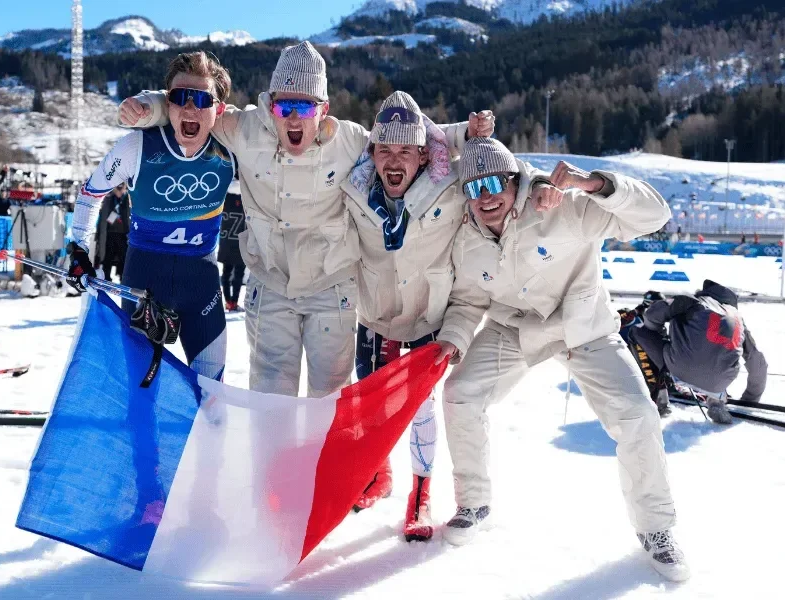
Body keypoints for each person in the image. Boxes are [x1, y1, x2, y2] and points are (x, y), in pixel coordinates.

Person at [118, 40, 493, 398]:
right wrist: (148, 106)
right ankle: (273, 466)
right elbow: (194, 105)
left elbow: (404, 136)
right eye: (284, 108)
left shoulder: (348, 140)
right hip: (271, 281)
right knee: (271, 396)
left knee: (327, 398)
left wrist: (464, 134)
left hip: (331, 285)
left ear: (324, 110)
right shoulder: (245, 130)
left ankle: (322, 467)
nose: (294, 118)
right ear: (271, 107)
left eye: (306, 108)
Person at [435, 138, 688, 581]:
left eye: (496, 182)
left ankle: (657, 529)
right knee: (460, 393)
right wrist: (453, 340)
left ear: (515, 181)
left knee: (637, 415)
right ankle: (473, 501)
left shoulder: (565, 206)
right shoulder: (467, 241)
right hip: (513, 328)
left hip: (584, 327)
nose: (487, 196)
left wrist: (596, 185)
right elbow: (468, 300)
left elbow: (655, 216)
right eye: (474, 188)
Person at [340, 91, 480, 541]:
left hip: (426, 320)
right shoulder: (354, 189)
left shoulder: (451, 186)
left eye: (405, 151)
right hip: (375, 319)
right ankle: (377, 475)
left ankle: (420, 493)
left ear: (423, 155)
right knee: (369, 408)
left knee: (419, 410)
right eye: (385, 150)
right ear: (373, 153)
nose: (394, 160)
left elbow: (499, 173)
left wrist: (541, 188)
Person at [67, 51, 235, 382]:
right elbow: (90, 195)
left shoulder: (231, 151)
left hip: (201, 286)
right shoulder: (137, 146)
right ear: (166, 103)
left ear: (218, 109)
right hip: (144, 278)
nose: (190, 107)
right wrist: (78, 250)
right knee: (140, 395)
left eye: (201, 98)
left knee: (211, 401)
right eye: (179, 97)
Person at [631, 279, 768, 425]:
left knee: (638, 331)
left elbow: (651, 316)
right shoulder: (738, 319)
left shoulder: (691, 301)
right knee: (723, 352)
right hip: (719, 382)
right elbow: (758, 364)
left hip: (679, 366)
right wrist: (748, 402)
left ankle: (660, 394)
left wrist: (663, 337)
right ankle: (717, 399)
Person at [618, 290, 672, 417]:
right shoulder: (633, 316)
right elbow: (616, 320)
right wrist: (633, 312)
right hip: (625, 356)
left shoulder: (657, 326)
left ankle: (663, 389)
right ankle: (657, 399)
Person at [218, 178, 246, 311]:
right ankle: (234, 302)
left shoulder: (224, 195)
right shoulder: (248, 195)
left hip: (226, 240)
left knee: (226, 273)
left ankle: (228, 302)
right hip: (243, 240)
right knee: (239, 274)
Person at [93, 183, 131, 281]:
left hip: (124, 235)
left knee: (124, 259)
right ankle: (106, 280)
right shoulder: (108, 199)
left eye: (121, 187)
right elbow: (102, 219)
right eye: (117, 188)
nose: (119, 190)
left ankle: (124, 280)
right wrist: (98, 236)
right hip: (109, 234)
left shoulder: (129, 200)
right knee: (107, 258)